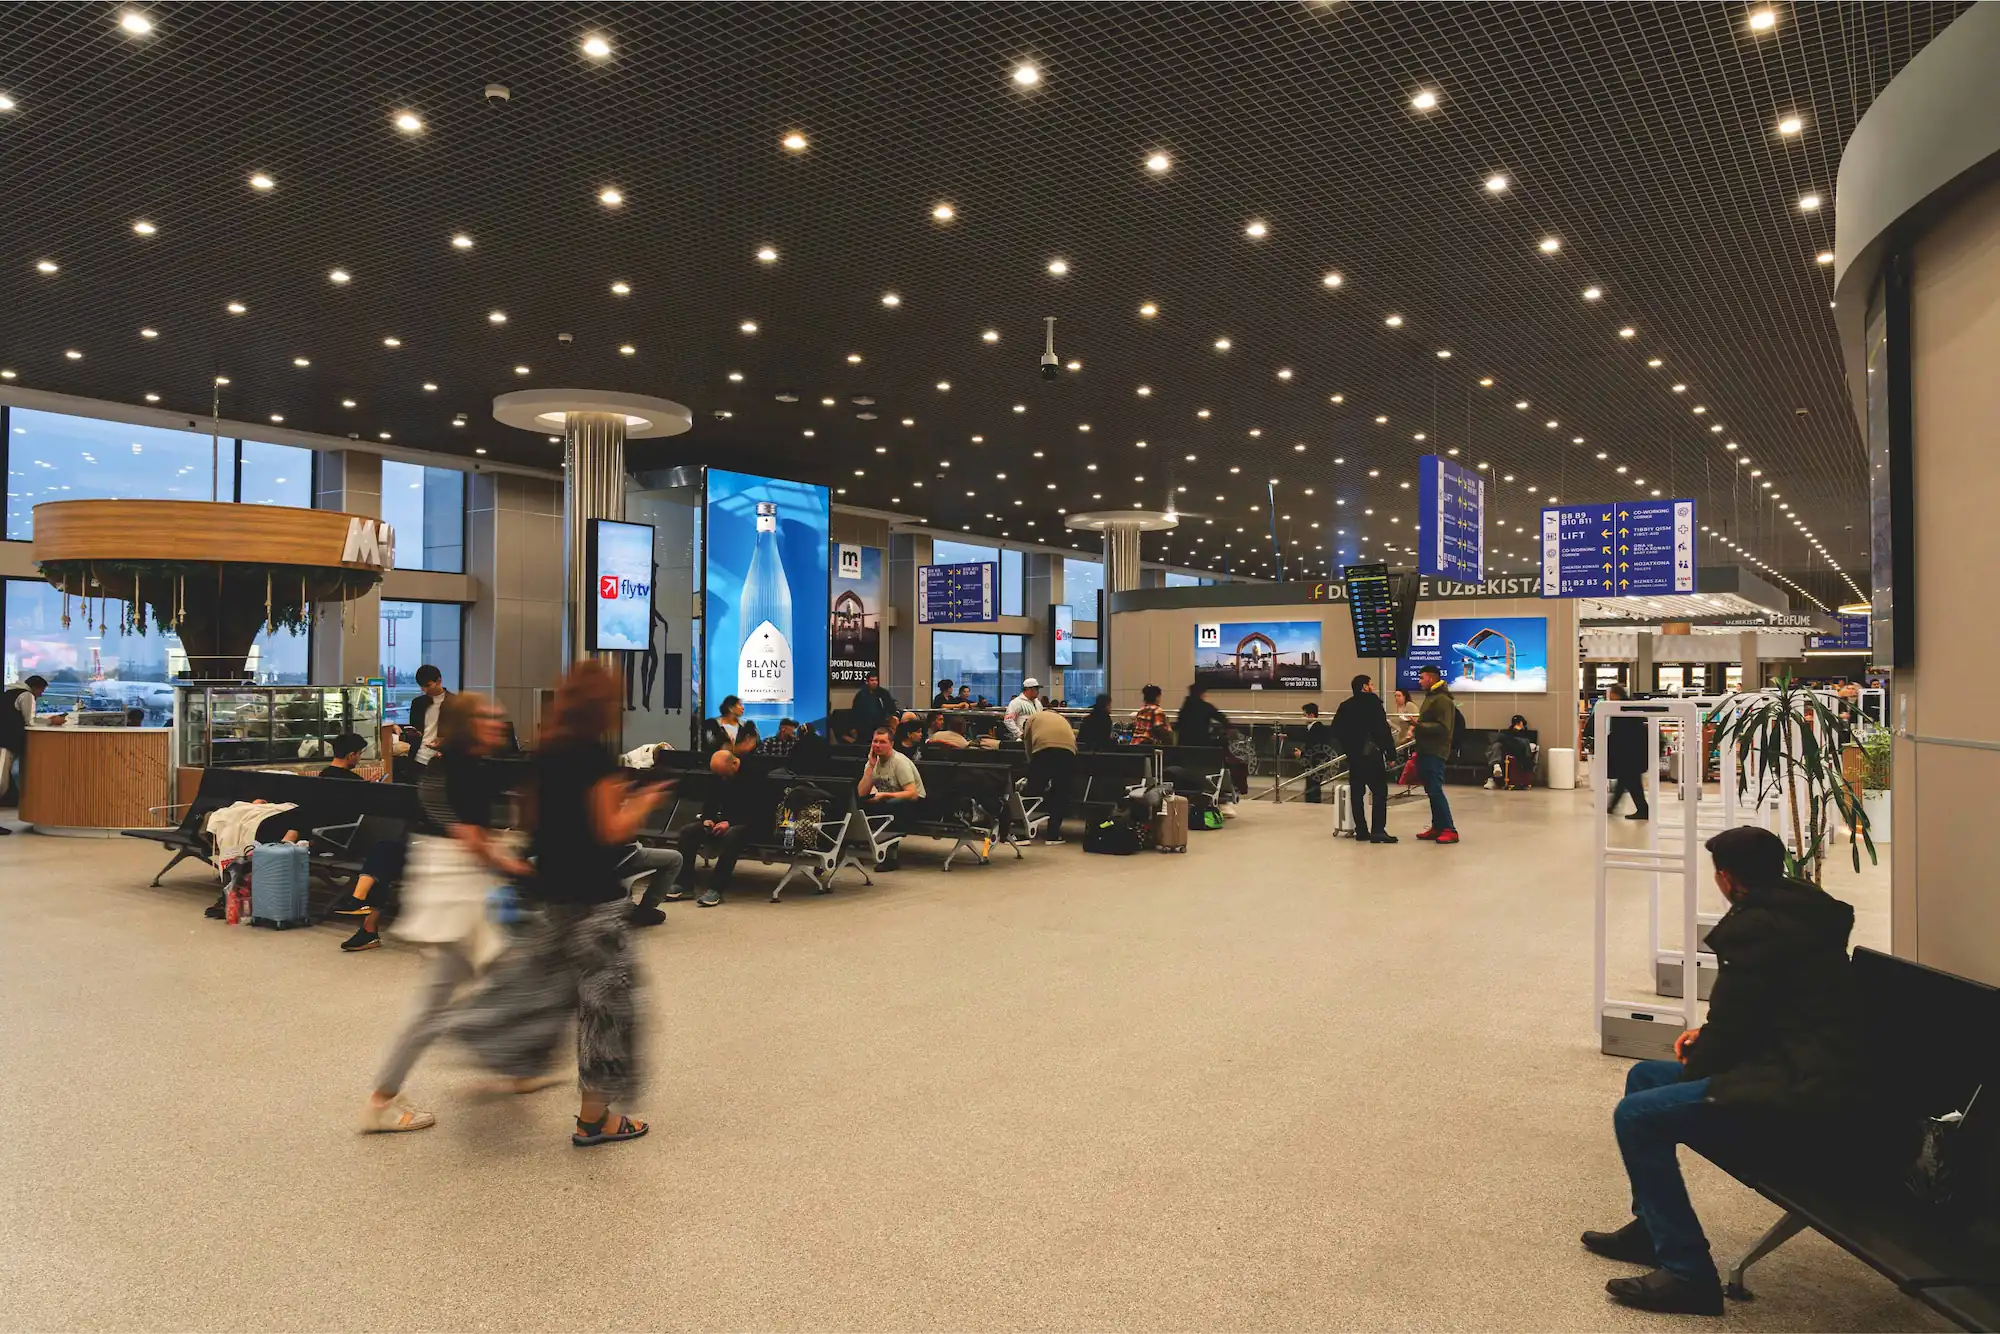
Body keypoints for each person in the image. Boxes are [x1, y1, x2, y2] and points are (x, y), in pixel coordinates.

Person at [1582, 825, 1871, 1315]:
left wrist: (1702, 1055)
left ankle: (1688, 1274)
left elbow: (1731, 1034)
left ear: (1728, 878)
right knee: (1643, 1078)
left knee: (1637, 1115)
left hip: (1796, 1088)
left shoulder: (1755, 932)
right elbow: (1774, 1010)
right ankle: (1653, 1228)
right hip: (1806, 1065)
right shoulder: (1799, 911)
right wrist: (1708, 1037)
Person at [451, 663, 668, 1147]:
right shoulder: (595, 757)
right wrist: (644, 801)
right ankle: (595, 1119)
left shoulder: (545, 753)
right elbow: (610, 830)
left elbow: (528, 819)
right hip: (597, 901)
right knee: (606, 1010)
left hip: (554, 896)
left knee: (543, 991)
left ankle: (500, 1053)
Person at [360, 692, 529, 1132]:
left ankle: (516, 1066)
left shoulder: (442, 765)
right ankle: (382, 1099)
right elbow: (470, 837)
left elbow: (453, 826)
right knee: (434, 1004)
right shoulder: (466, 770)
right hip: (457, 896)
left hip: (453, 888)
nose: (498, 724)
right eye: (487, 718)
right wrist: (518, 866)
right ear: (468, 725)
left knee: (508, 976)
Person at [670, 746, 771, 906]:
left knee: (732, 835)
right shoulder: (720, 774)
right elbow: (712, 799)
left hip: (754, 824)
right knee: (688, 832)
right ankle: (684, 884)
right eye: (719, 774)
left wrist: (730, 822)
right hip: (724, 821)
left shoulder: (758, 775)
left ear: (734, 764)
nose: (721, 777)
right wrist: (708, 818)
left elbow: (760, 809)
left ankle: (716, 889)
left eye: (724, 774)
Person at [1332, 675, 1396, 843]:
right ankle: (1378, 831)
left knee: (1357, 793)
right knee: (1379, 792)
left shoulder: (1345, 706)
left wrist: (1349, 750)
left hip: (1354, 757)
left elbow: (1335, 730)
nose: (1373, 687)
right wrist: (1391, 754)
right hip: (1372, 756)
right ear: (1364, 686)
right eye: (1371, 684)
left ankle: (1361, 830)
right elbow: (1383, 731)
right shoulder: (1374, 704)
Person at [858, 725, 926, 868]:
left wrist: (885, 795)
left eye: (882, 742)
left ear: (891, 744)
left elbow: (912, 793)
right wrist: (871, 766)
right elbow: (861, 793)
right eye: (875, 741)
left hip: (915, 803)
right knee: (858, 803)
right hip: (887, 799)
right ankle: (855, 848)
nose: (877, 745)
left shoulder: (899, 762)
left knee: (893, 805)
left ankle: (891, 857)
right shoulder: (873, 762)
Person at [0, 674, 62, 826]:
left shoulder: (9, 693)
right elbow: (31, 721)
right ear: (35, 687)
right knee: (1, 784)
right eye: (41, 691)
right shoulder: (26, 695)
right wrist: (51, 721)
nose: (41, 695)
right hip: (6, 744)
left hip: (4, 741)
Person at [1412, 664, 1459, 844]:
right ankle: (1438, 826)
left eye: (1422, 677)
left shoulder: (1442, 700)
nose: (1419, 681)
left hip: (1435, 750)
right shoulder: (1432, 697)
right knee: (1431, 790)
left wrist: (1419, 725)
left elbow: (1443, 727)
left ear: (1431, 678)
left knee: (1435, 790)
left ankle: (1449, 829)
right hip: (1426, 749)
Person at [1021, 705, 1078, 843]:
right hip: (1068, 752)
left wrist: (1031, 766)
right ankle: (1053, 835)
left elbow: (1028, 745)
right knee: (1060, 793)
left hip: (1044, 749)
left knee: (1031, 790)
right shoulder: (1062, 718)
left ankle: (1020, 833)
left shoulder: (1032, 718)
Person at [1603, 685, 1651, 821]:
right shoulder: (1625, 706)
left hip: (1629, 752)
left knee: (1631, 781)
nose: (1609, 696)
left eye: (1611, 693)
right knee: (1625, 780)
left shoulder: (1624, 708)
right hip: (1630, 752)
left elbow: (1623, 732)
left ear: (1616, 694)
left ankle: (1643, 809)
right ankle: (1613, 806)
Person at [1289, 702, 1336, 803]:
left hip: (1316, 763)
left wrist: (1302, 754)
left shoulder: (1318, 729)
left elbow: (1316, 749)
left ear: (1311, 715)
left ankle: (1313, 804)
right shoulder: (1312, 729)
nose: (1303, 718)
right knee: (1311, 786)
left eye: (1304, 715)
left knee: (1313, 787)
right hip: (1312, 763)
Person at [406, 665, 449, 775]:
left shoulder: (454, 703)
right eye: (421, 686)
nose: (424, 690)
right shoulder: (418, 703)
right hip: (419, 757)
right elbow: (414, 727)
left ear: (439, 681)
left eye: (428, 685)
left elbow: (461, 733)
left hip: (444, 759)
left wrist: (444, 743)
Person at [849, 673, 898, 740]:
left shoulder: (883, 693)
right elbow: (855, 712)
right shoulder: (861, 695)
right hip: (865, 726)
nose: (874, 682)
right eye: (872, 680)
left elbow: (891, 709)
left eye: (876, 680)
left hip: (881, 725)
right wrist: (853, 727)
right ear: (867, 682)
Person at [1494, 714, 1536, 791]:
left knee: (1521, 741)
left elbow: (1528, 744)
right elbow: (1501, 739)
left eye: (1519, 723)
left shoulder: (1527, 734)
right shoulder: (1507, 732)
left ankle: (1496, 769)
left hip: (1517, 751)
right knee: (1496, 745)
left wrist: (1518, 732)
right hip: (1506, 749)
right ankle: (1496, 766)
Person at [1176, 683, 1224, 749]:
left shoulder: (1185, 707)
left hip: (1185, 743)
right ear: (1200, 693)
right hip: (1200, 742)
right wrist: (1229, 727)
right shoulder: (1204, 706)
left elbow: (1179, 723)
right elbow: (1220, 717)